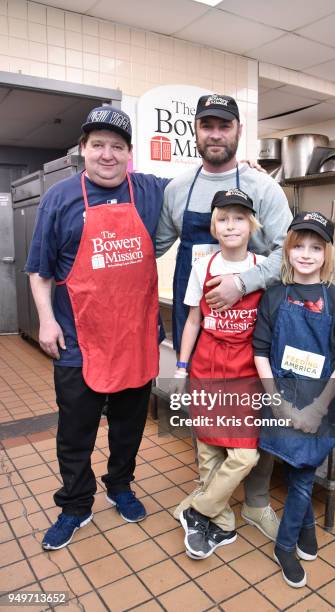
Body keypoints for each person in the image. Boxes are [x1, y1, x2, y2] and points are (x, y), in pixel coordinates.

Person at [26, 106, 169, 550]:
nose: (107, 154)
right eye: (98, 145)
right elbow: (39, 270)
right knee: (76, 432)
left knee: (129, 426)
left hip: (135, 335)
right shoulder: (61, 197)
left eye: (117, 146)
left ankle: (120, 485)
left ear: (129, 153)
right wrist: (46, 320)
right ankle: (75, 504)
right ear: (83, 149)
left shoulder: (150, 190)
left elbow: (208, 188)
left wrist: (243, 171)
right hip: (77, 340)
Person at [157, 93, 292, 540]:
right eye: (207, 125)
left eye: (225, 125)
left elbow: (287, 254)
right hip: (199, 322)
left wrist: (243, 283)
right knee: (209, 418)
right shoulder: (177, 189)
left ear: (237, 131)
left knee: (251, 422)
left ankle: (253, 504)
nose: (216, 134)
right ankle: (213, 505)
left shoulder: (262, 187)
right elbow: (156, 246)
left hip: (252, 330)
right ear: (195, 130)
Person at [253, 212, 335, 588]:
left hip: (320, 403)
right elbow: (261, 351)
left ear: (327, 254)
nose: (306, 253)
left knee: (301, 475)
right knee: (298, 469)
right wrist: (278, 403)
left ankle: (285, 545)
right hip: (281, 397)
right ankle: (305, 534)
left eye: (316, 247)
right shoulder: (275, 295)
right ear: (289, 248)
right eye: (299, 245)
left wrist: (316, 409)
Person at [174, 188, 276, 558]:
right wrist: (182, 366)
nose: (231, 225)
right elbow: (192, 320)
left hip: (246, 367)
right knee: (208, 447)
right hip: (206, 363)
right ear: (214, 227)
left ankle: (197, 510)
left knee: (244, 454)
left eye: (239, 218)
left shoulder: (264, 266)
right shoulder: (203, 266)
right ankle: (223, 521)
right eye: (223, 218)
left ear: (251, 225)